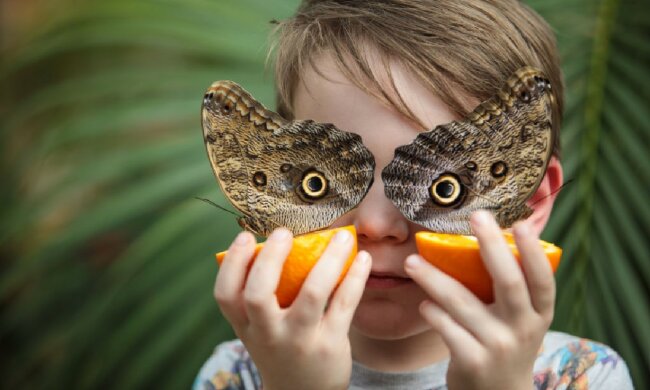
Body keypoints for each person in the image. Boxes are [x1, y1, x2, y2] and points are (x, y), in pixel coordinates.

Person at [194, 1, 634, 389]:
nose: (375, 227)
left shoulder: (584, 375)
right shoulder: (236, 375)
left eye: (443, 188)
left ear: (525, 204)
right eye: (320, 183)